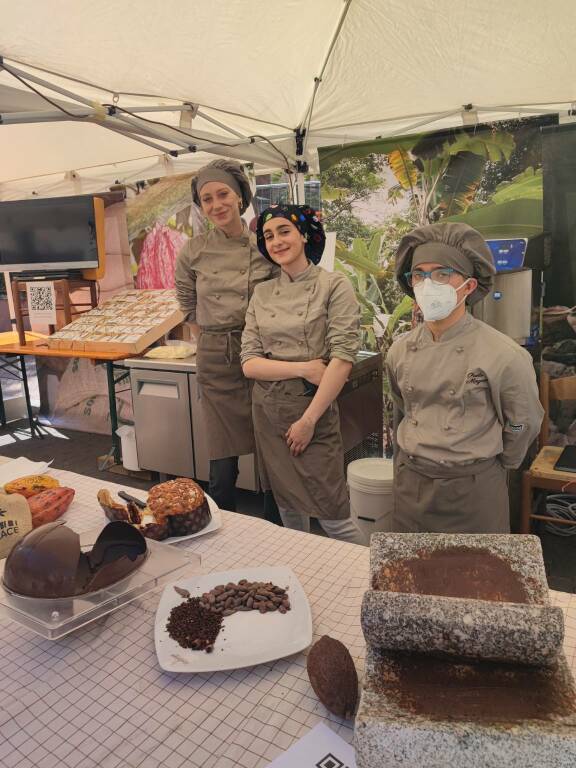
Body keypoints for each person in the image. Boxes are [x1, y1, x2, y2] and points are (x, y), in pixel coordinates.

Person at [386, 221, 544, 534]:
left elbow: (520, 422)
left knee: (476, 579)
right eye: (420, 274)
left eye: (442, 273)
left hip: (472, 492)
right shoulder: (400, 350)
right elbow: (403, 409)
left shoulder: (503, 354)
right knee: (412, 577)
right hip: (411, 485)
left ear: (469, 286)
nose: (429, 283)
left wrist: (501, 462)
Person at [240, 204, 366, 545]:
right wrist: (303, 368)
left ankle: (373, 580)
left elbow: (341, 359)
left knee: (334, 516)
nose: (276, 241)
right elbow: (249, 363)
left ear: (304, 234)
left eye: (284, 231)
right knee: (289, 511)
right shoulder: (262, 293)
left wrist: (309, 421)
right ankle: (310, 579)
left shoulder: (333, 285)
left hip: (313, 411)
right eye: (268, 236)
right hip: (268, 414)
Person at [175, 159, 277, 512]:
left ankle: (275, 522)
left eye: (223, 195)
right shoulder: (194, 250)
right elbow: (187, 302)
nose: (216, 205)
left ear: (239, 198)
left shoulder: (264, 245)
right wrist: (210, 336)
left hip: (262, 354)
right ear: (200, 206)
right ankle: (221, 520)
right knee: (221, 452)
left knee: (269, 439)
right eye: (207, 199)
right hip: (216, 354)